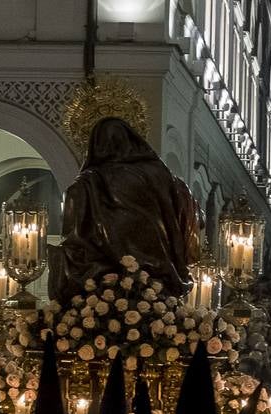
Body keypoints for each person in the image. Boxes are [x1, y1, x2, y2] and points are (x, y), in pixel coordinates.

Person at [50, 117, 199, 300]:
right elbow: (187, 209)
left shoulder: (88, 181)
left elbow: (73, 232)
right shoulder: (158, 172)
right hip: (158, 274)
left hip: (105, 280)